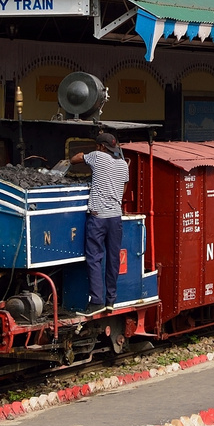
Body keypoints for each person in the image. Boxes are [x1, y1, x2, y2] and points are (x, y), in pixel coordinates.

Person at [72, 132, 129, 312]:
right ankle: (111, 300)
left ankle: (96, 300)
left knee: (94, 258)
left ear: (102, 147)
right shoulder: (123, 165)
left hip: (98, 218)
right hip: (115, 217)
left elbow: (76, 159)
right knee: (113, 259)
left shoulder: (98, 156)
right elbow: (124, 188)